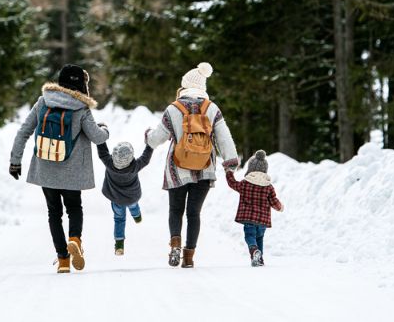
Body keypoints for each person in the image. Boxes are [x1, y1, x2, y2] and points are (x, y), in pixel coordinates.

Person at [8, 64, 109, 274]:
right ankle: (75, 239)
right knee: (74, 208)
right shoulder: (81, 108)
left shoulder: (44, 101)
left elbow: (24, 131)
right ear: (81, 84)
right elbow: (97, 137)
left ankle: (63, 260)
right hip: (73, 172)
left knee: (54, 212)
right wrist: (105, 129)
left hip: (46, 168)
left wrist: (15, 161)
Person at [145, 62, 239, 268]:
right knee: (194, 213)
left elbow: (156, 139)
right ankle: (189, 257)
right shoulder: (212, 108)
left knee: (175, 210)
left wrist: (148, 137)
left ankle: (175, 246)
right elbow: (224, 139)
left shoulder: (173, 108)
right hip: (205, 168)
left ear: (185, 86)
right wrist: (230, 165)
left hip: (176, 169)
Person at [224, 150, 284, 267]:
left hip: (249, 219)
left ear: (250, 169)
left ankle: (254, 251)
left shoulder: (245, 183)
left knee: (250, 237)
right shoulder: (269, 187)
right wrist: (280, 207)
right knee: (259, 238)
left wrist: (228, 172)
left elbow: (232, 183)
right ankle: (259, 259)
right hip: (263, 221)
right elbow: (273, 201)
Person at [95, 140, 154, 255]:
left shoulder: (109, 163)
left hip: (116, 200)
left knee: (119, 219)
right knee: (134, 206)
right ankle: (137, 217)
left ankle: (119, 245)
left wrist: (100, 135)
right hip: (132, 197)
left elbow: (102, 152)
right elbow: (145, 158)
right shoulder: (135, 166)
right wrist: (150, 144)